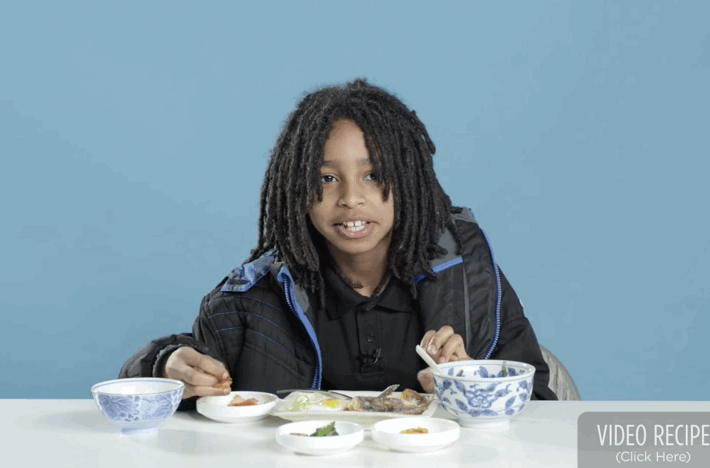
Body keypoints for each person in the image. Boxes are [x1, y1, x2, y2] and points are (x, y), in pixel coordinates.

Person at [119, 79, 558, 407]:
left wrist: (466, 385)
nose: (350, 198)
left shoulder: (469, 281)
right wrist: (166, 366)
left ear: (409, 181)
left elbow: (540, 404)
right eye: (327, 178)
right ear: (297, 189)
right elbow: (163, 383)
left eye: (373, 175)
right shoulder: (252, 299)